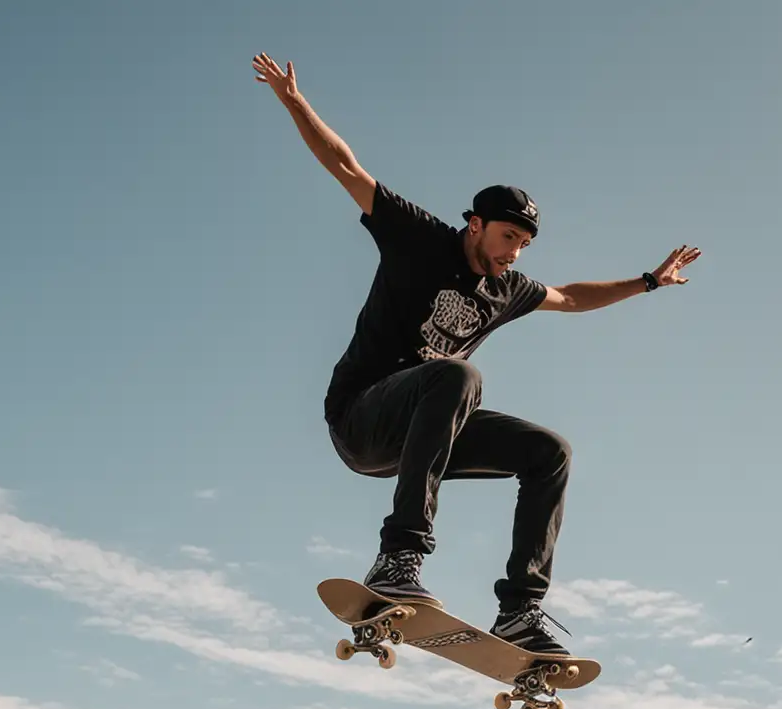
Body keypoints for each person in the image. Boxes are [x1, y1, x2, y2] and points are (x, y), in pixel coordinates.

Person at [252, 51, 702, 656]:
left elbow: (570, 297)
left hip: (423, 434)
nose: (514, 254)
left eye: (523, 244)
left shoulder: (508, 289)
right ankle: (400, 556)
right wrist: (294, 102)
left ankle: (520, 610)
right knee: (456, 375)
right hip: (362, 418)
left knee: (549, 453)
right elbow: (345, 166)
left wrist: (646, 281)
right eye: (507, 237)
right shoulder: (418, 239)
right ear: (475, 224)